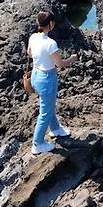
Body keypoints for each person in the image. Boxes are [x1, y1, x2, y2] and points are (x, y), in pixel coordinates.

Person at [28, 10, 78, 155]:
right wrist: (72, 59)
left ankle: (55, 129)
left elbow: (29, 53)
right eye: (53, 21)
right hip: (47, 78)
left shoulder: (33, 37)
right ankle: (37, 144)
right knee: (44, 112)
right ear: (50, 24)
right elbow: (60, 64)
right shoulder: (51, 44)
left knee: (47, 105)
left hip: (36, 75)